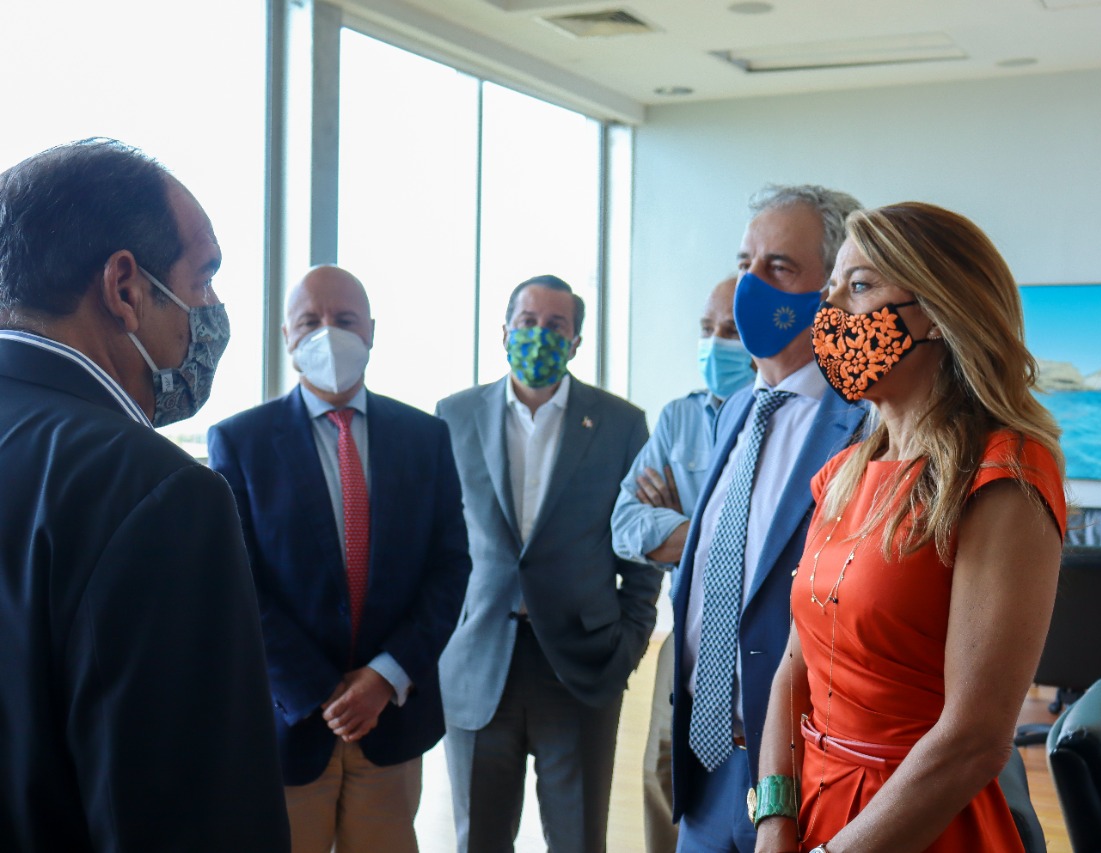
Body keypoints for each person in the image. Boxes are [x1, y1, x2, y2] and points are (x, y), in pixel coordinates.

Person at [0, 139, 289, 850]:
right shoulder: (159, 495)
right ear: (125, 288)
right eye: (204, 278)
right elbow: (198, 823)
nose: (212, 310)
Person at [753, 202, 1067, 853]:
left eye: (859, 286)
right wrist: (774, 818)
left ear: (938, 313)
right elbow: (792, 670)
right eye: (831, 289)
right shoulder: (840, 474)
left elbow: (974, 739)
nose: (828, 311)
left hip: (920, 823)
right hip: (812, 809)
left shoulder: (1001, 475)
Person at [207, 265, 471, 853]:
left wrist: (384, 677)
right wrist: (324, 691)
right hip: (289, 721)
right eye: (310, 321)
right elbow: (236, 583)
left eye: (345, 319)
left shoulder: (425, 438)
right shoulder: (240, 443)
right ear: (286, 336)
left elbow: (450, 567)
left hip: (392, 719)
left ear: (371, 330)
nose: (328, 333)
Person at [670, 185, 871, 852]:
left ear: (834, 290)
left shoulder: (868, 426)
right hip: (705, 763)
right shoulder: (733, 411)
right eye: (745, 263)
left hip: (804, 771)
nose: (749, 286)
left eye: (779, 267)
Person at [437, 273, 660, 852]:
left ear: (576, 341)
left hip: (582, 666)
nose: (539, 334)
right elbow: (433, 541)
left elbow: (640, 549)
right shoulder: (453, 416)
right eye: (528, 322)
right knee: (478, 841)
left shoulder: (620, 424)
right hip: (479, 661)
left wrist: (629, 645)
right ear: (504, 331)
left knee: (579, 840)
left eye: (555, 325)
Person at [611, 274, 754, 853]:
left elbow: (781, 546)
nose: (715, 344)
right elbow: (625, 526)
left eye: (730, 332)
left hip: (767, 634)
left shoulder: (797, 416)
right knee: (661, 772)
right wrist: (721, 536)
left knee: (754, 781)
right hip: (691, 627)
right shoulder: (679, 418)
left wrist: (679, 526)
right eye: (706, 329)